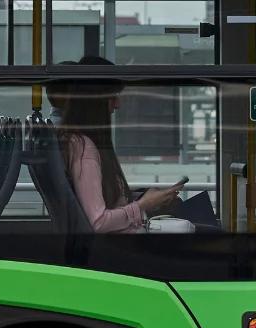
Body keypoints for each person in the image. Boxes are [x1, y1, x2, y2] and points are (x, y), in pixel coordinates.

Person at [54, 56, 185, 233]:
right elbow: (98, 222)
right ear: (96, 100)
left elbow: (104, 198)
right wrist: (143, 205)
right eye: (113, 96)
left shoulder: (79, 143)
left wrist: (146, 199)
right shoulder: (85, 149)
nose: (117, 104)